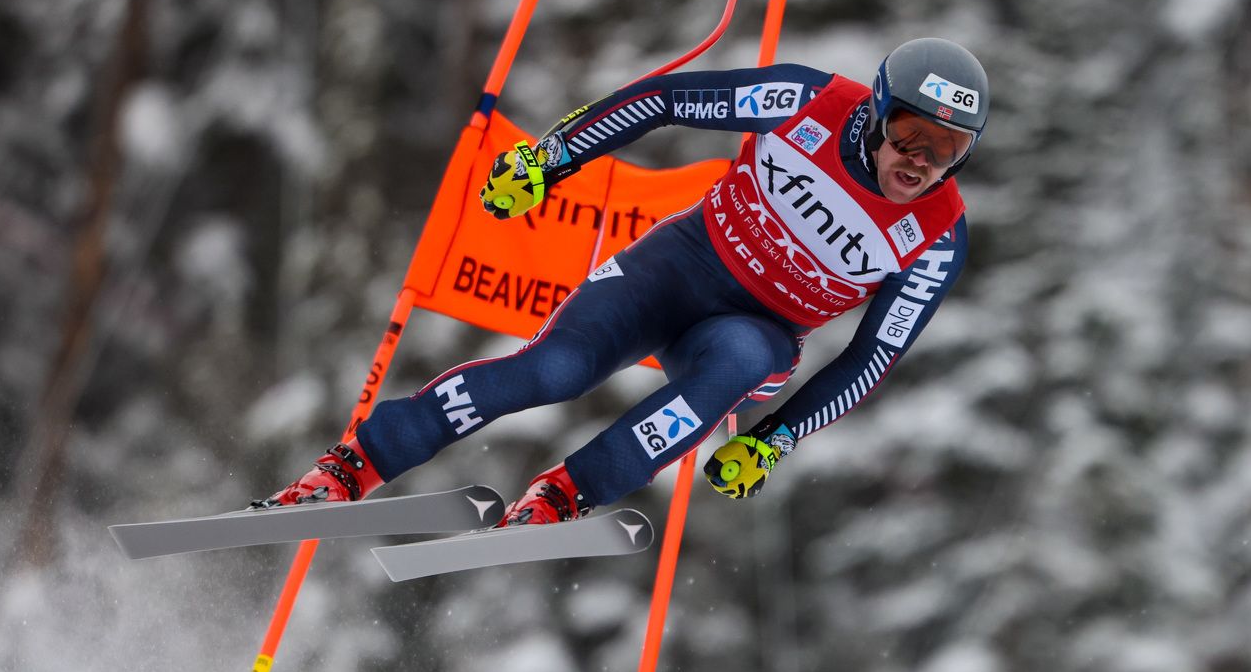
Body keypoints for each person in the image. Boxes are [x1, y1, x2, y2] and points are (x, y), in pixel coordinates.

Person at [255, 38, 989, 526]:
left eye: (948, 150)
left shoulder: (936, 234)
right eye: (910, 133)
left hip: (754, 330)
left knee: (736, 364)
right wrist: (551, 161)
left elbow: (872, 358)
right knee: (554, 370)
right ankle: (356, 465)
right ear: (873, 112)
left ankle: (566, 494)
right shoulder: (808, 103)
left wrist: (776, 440)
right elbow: (664, 98)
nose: (921, 161)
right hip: (677, 266)